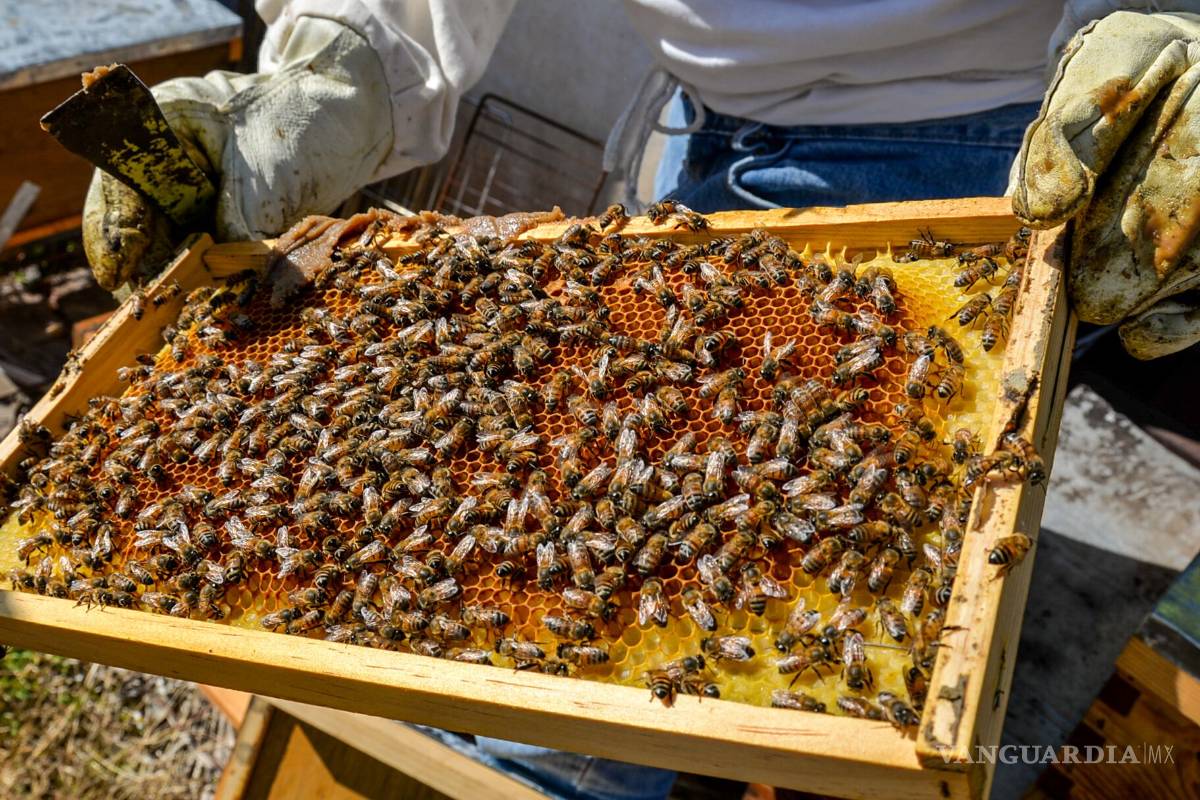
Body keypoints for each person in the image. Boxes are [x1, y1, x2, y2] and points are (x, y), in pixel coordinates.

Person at [78, 3, 1200, 797]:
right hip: (723, 134)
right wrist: (340, 56)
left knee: (877, 552)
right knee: (589, 646)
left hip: (1033, 115)